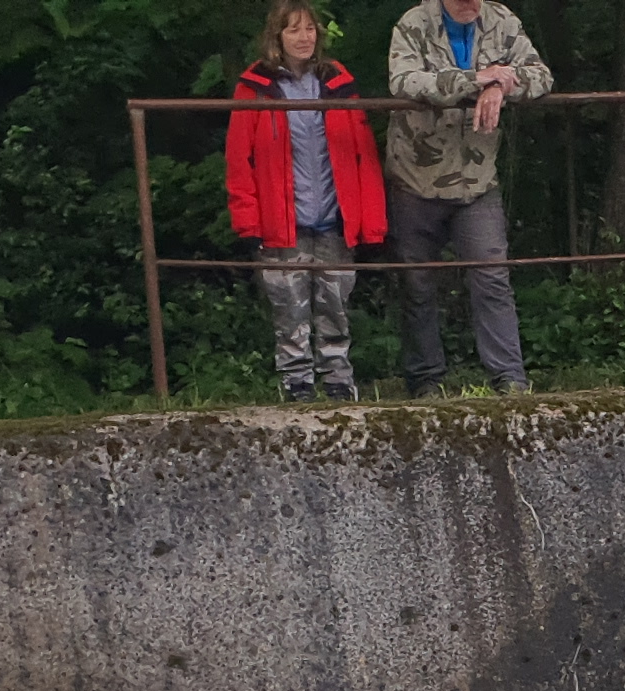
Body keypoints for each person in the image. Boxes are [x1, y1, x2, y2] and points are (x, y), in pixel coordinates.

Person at [384, 0, 552, 395]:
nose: (471, 3)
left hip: (478, 180)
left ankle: (510, 379)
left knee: (492, 276)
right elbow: (404, 81)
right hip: (416, 178)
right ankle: (426, 382)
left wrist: (500, 85)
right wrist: (475, 79)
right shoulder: (413, 23)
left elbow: (542, 76)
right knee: (416, 283)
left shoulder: (502, 20)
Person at [226, 2, 390, 403]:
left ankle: (338, 382)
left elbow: (364, 156)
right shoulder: (254, 87)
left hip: (335, 218)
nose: (304, 37)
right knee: (289, 311)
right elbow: (238, 160)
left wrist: (371, 223)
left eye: (310, 29)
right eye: (293, 30)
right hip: (281, 223)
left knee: (336, 307)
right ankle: (296, 384)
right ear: (277, 36)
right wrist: (248, 222)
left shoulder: (339, 81)